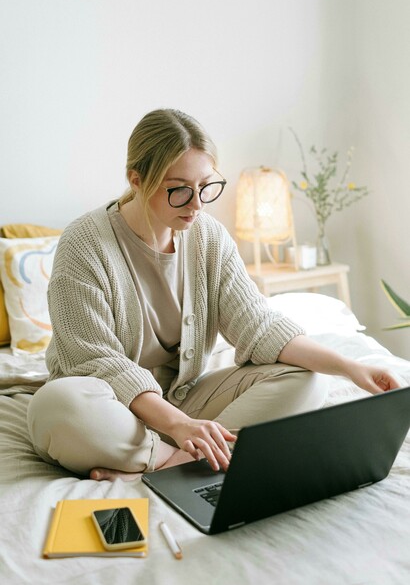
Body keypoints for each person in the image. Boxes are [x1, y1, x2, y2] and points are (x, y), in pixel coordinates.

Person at [27, 108, 400, 481]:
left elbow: (258, 325)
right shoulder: (83, 245)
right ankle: (184, 456)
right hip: (112, 409)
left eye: (206, 186)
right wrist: (179, 426)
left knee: (309, 377)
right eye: (178, 190)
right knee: (56, 407)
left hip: (184, 399)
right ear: (136, 180)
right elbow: (96, 362)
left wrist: (352, 368)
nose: (197, 204)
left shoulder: (209, 237)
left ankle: (164, 465)